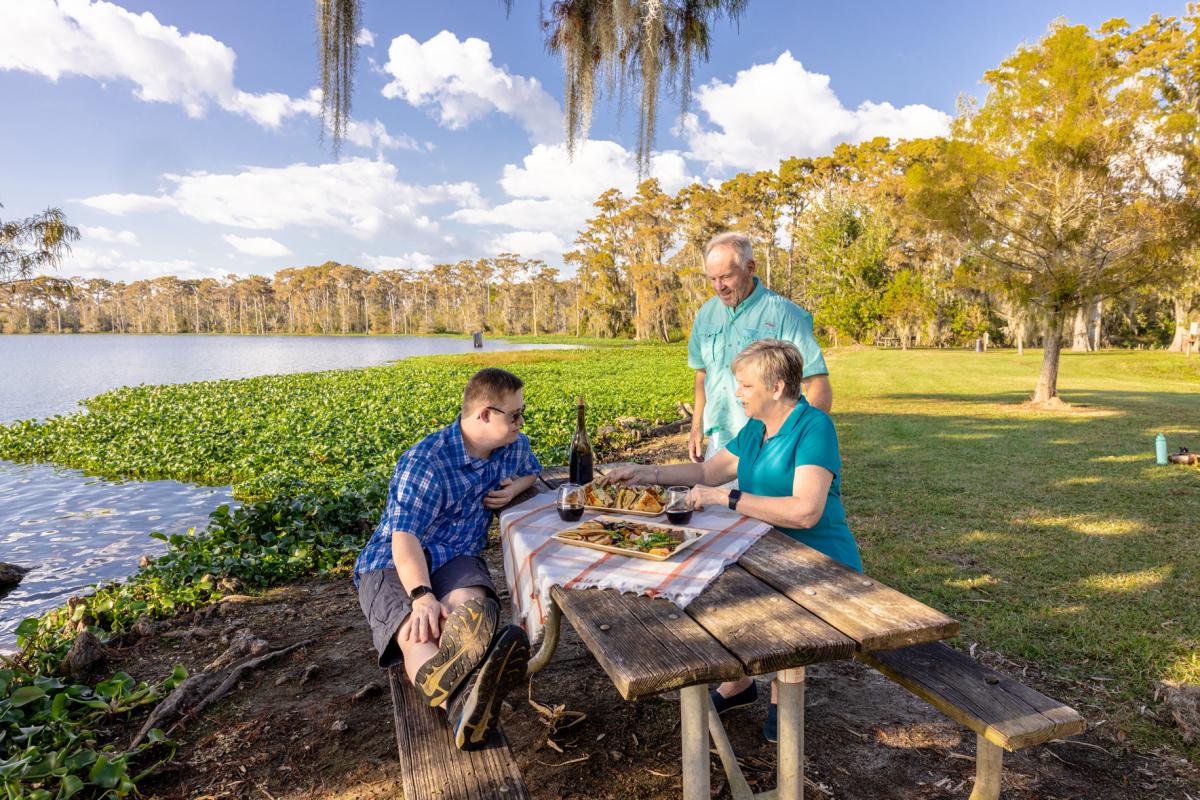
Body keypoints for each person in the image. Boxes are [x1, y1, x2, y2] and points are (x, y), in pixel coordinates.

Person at [607, 339, 860, 743]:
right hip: (766, 548)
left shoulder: (814, 428)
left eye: (745, 385)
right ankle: (739, 684)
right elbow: (709, 473)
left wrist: (728, 499)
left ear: (776, 387)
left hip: (819, 560)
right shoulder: (757, 427)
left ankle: (783, 697)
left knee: (765, 608)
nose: (737, 392)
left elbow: (805, 512)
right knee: (705, 586)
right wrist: (645, 473)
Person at [353, 367, 541, 750]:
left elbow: (532, 472)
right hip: (393, 563)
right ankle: (460, 702)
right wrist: (422, 595)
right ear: (484, 414)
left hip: (457, 556)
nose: (521, 422)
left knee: (472, 609)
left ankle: (463, 687)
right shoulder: (426, 461)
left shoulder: (513, 446)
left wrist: (515, 488)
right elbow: (404, 537)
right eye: (515, 415)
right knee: (419, 630)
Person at [688, 231, 832, 462]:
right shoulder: (706, 313)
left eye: (726, 277)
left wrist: (801, 443)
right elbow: (703, 373)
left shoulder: (785, 314)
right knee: (709, 486)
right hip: (719, 441)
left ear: (750, 268)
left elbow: (817, 384)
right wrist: (697, 426)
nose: (718, 287)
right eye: (712, 279)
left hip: (769, 444)